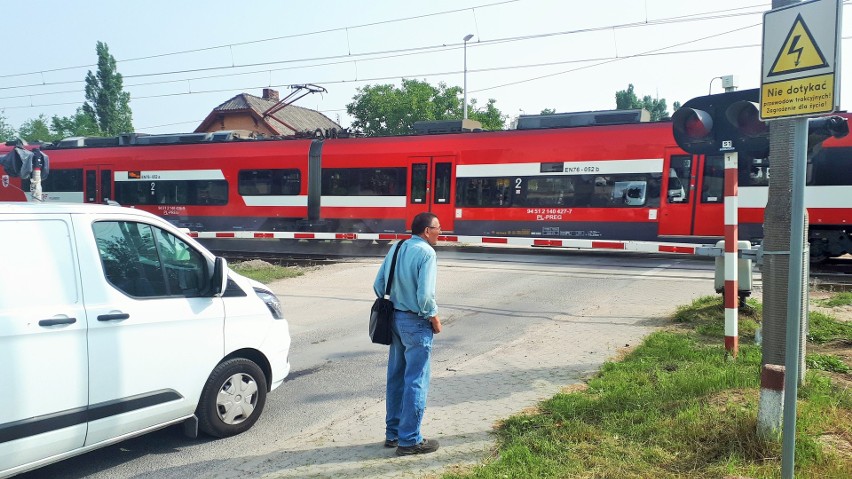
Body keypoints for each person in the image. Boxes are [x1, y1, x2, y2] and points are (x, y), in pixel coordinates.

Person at [373, 212, 443, 456]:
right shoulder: (427, 253)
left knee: (396, 377)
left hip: (394, 319)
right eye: (437, 228)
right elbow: (425, 296)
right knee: (416, 379)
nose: (440, 232)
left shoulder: (398, 246)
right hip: (415, 323)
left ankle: (393, 434)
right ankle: (410, 441)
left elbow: (378, 285)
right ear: (426, 231)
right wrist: (433, 316)